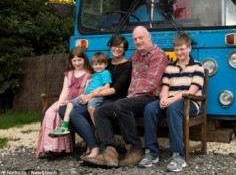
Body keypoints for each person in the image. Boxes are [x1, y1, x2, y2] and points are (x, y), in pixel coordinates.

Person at [83, 25, 168, 167]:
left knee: (121, 104)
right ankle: (109, 153)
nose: (138, 41)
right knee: (100, 111)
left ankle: (135, 148)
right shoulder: (135, 55)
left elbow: (151, 84)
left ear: (149, 37)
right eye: (135, 39)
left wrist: (129, 96)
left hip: (150, 98)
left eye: (141, 38)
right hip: (132, 98)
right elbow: (122, 67)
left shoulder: (158, 55)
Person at [138, 33, 204, 172]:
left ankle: (178, 156)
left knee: (174, 108)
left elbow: (192, 91)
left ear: (189, 48)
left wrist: (170, 100)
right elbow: (164, 88)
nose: (179, 52)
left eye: (182, 49)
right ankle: (151, 153)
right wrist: (163, 98)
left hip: (189, 104)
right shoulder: (169, 68)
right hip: (170, 102)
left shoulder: (198, 66)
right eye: (176, 49)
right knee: (150, 108)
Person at [58, 35, 132, 159]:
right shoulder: (105, 62)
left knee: (80, 113)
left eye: (120, 47)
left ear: (125, 50)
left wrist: (91, 95)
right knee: (63, 109)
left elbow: (114, 89)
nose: (117, 49)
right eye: (114, 46)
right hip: (97, 98)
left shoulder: (127, 65)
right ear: (111, 47)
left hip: (114, 99)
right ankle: (93, 143)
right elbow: (92, 79)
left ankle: (98, 147)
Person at [36, 47, 92, 159]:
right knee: (50, 112)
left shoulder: (88, 74)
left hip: (78, 101)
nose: (77, 63)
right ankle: (50, 147)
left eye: (79, 60)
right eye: (74, 60)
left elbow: (86, 92)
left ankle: (62, 148)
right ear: (70, 61)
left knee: (60, 115)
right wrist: (59, 103)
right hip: (66, 99)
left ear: (84, 59)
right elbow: (64, 91)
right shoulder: (69, 74)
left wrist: (70, 102)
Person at [49, 52, 111, 138]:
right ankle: (64, 126)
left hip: (96, 95)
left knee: (91, 108)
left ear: (106, 64)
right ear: (92, 65)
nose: (98, 66)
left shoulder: (105, 73)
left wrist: (98, 89)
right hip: (85, 95)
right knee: (70, 104)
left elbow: (107, 86)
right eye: (95, 64)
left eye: (101, 64)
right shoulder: (93, 74)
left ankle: (98, 129)